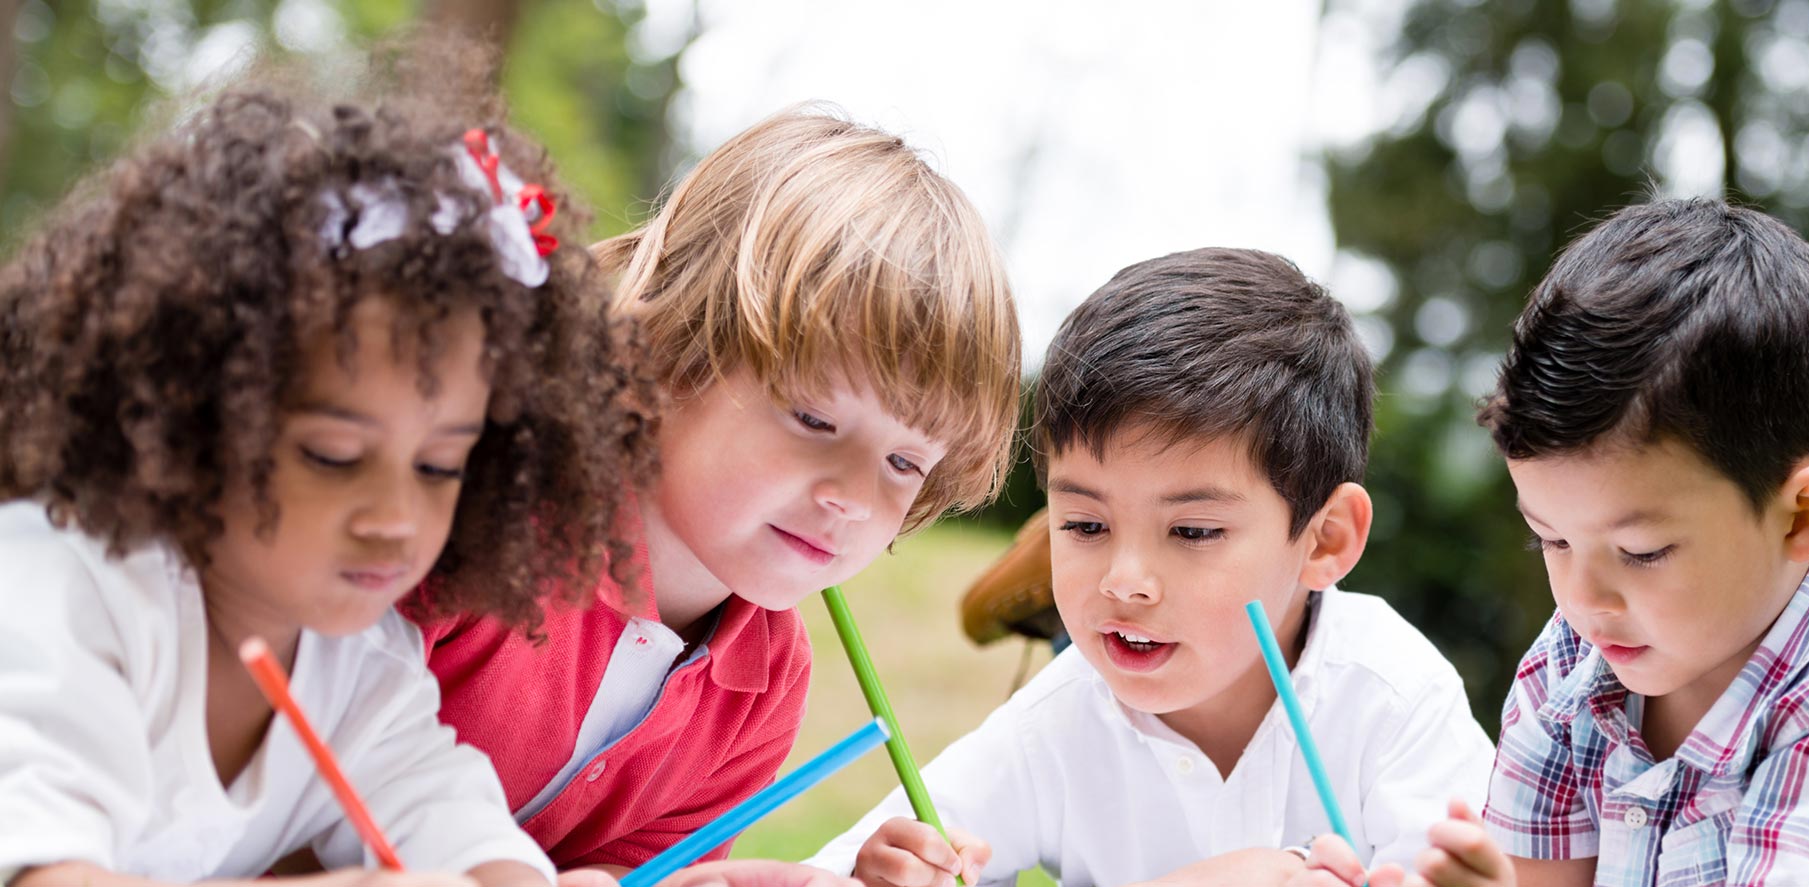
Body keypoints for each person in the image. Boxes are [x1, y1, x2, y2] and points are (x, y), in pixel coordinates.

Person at [0, 50, 648, 887]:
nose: (395, 516)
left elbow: (449, 818)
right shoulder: (61, 591)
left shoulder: (362, 666)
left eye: (441, 465)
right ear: (188, 412)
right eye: (333, 455)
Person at [1307, 198, 1809, 886]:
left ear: (1801, 514)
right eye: (1549, 540)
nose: (1582, 596)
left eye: (1641, 551)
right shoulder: (1574, 663)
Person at [414, 106, 1020, 885]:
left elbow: (625, 872)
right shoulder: (476, 518)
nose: (855, 498)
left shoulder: (768, 678)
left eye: (906, 463)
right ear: (664, 355)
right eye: (814, 417)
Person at [807, 247, 1495, 886]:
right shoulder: (1057, 720)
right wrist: (878, 873)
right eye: (1083, 525)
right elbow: (844, 867)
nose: (1124, 577)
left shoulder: (1394, 698)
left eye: (1193, 529)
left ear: (1325, 540)